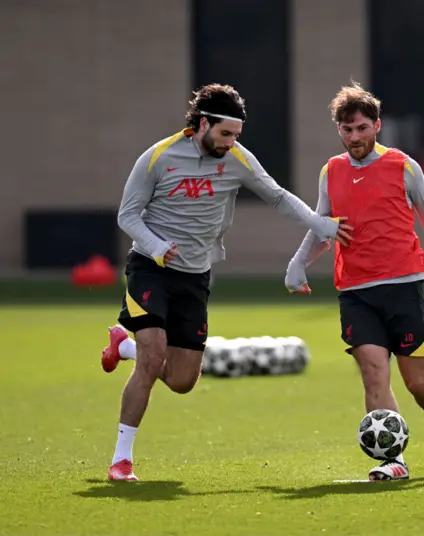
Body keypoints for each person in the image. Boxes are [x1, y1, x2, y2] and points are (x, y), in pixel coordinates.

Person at [101, 83, 353, 481]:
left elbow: (278, 196)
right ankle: (122, 459)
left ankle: (124, 345)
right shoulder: (157, 158)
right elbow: (127, 215)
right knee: (153, 358)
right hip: (150, 268)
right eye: (225, 134)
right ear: (203, 124)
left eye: (236, 135)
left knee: (183, 381)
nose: (231, 142)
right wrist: (154, 246)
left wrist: (321, 224)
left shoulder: (237, 158)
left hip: (196, 274)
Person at [284, 83, 424, 481]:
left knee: (417, 382)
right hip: (355, 290)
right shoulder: (330, 171)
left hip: (404, 285)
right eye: (347, 130)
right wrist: (298, 265)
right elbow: (321, 225)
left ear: (377, 126)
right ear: (339, 131)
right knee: (372, 371)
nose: (354, 137)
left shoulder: (403, 166)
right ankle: (393, 459)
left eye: (362, 128)